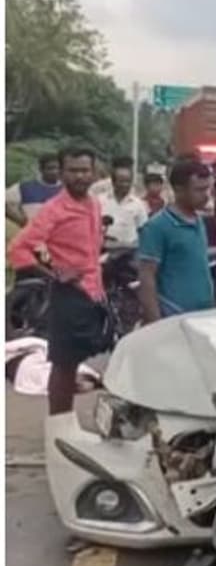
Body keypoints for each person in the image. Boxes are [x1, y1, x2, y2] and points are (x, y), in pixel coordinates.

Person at [7, 146, 107, 416]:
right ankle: (58, 426)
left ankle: (67, 425)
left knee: (75, 362)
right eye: (73, 171)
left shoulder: (94, 204)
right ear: (62, 174)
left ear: (94, 173)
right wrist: (53, 274)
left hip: (92, 293)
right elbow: (18, 248)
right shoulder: (54, 210)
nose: (80, 176)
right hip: (68, 295)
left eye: (85, 170)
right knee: (63, 365)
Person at [137, 160, 215, 322]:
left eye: (207, 188)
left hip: (202, 315)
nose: (206, 195)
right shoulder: (157, 226)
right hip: (174, 318)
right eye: (199, 190)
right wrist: (156, 322)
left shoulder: (198, 221)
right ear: (179, 190)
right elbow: (146, 277)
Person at [97, 157, 149, 248]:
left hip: (129, 252)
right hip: (103, 249)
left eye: (128, 181)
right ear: (113, 182)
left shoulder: (139, 204)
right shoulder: (99, 201)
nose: (125, 185)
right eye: (121, 181)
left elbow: (144, 231)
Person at [5, 153, 61, 227]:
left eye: (58, 168)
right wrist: (21, 220)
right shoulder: (24, 188)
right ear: (41, 169)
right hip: (33, 234)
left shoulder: (69, 189)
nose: (55, 172)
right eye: (50, 168)